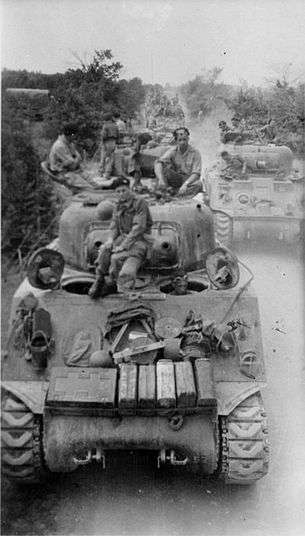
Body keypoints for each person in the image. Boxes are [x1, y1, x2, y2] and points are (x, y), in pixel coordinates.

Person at [89, 177, 153, 299]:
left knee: (115, 258)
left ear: (129, 189)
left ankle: (113, 283)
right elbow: (114, 226)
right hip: (123, 238)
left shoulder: (140, 203)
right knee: (104, 251)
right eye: (118, 192)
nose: (121, 194)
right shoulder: (118, 204)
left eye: (124, 190)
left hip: (140, 240)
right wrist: (110, 240)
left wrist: (123, 246)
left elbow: (138, 228)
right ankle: (99, 279)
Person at [154, 127, 202, 196]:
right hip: (176, 179)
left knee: (199, 184)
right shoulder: (173, 151)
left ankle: (174, 193)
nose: (182, 142)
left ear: (188, 139)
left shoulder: (195, 153)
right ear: (176, 141)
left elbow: (196, 173)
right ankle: (170, 191)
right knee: (162, 168)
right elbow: (158, 163)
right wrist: (161, 179)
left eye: (184, 139)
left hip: (188, 180)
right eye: (180, 140)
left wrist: (186, 184)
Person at [48, 123, 94, 191]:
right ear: (71, 135)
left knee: (95, 185)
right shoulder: (59, 146)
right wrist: (75, 160)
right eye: (75, 135)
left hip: (73, 170)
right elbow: (73, 165)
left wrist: (75, 160)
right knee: (89, 189)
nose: (76, 137)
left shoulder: (69, 143)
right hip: (63, 174)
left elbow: (79, 158)